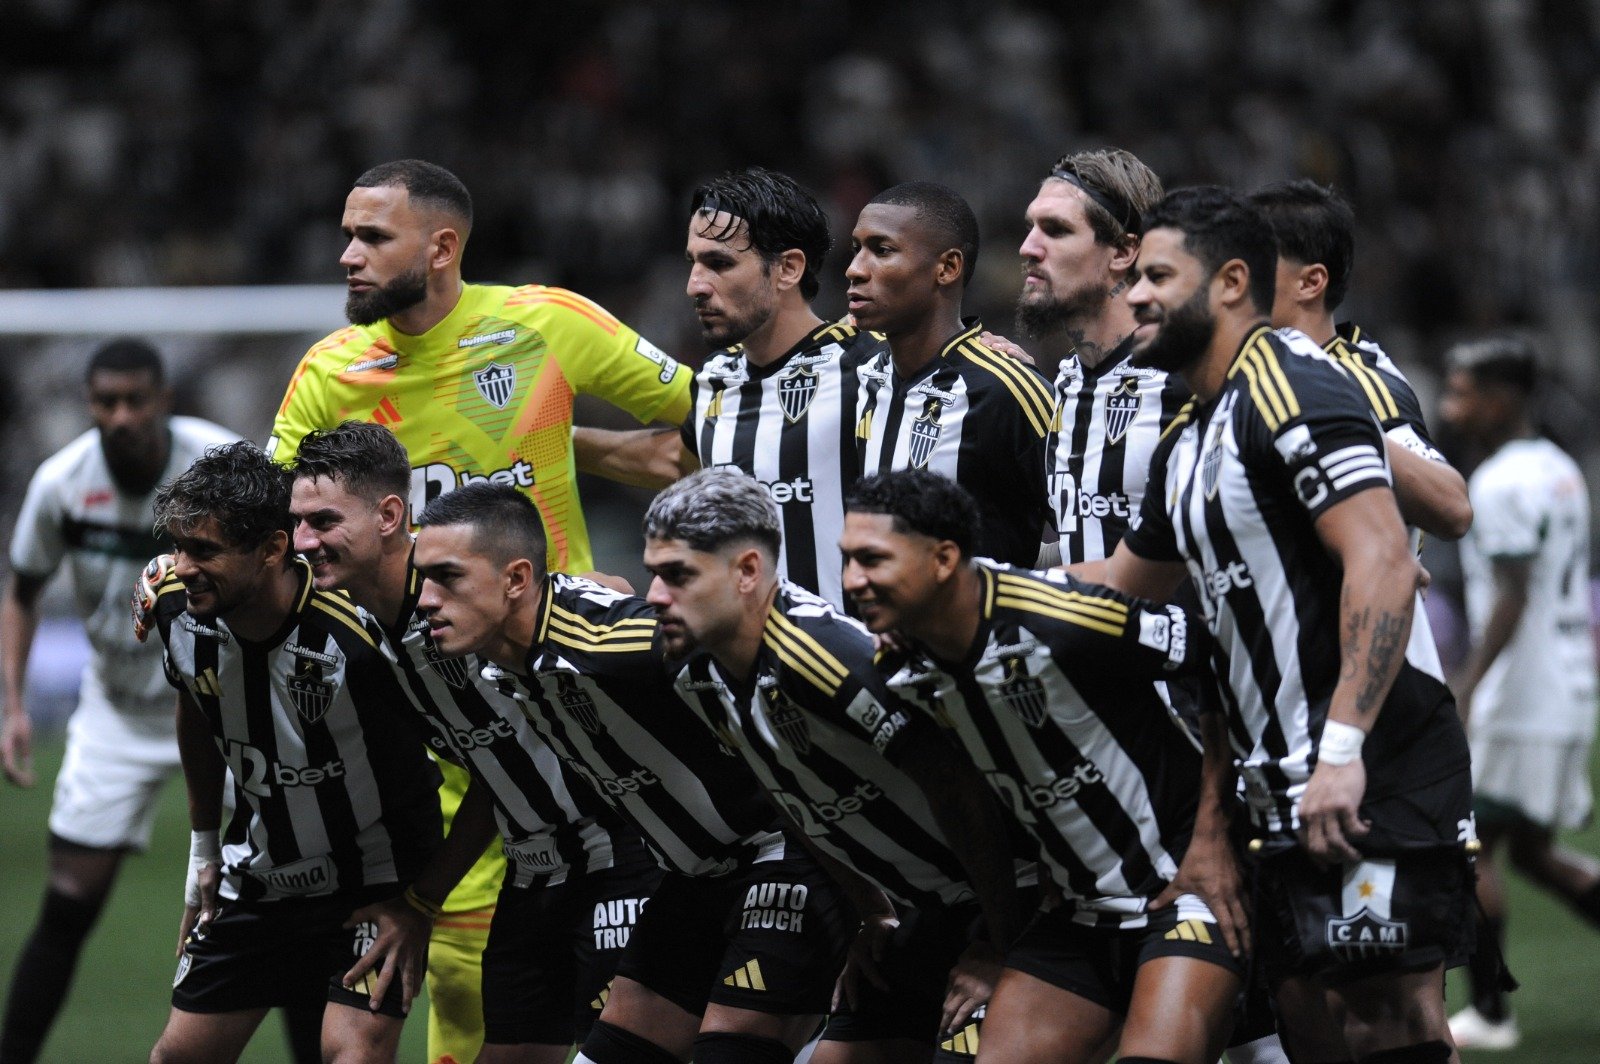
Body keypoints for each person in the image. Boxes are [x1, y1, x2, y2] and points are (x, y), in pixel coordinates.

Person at [267, 157, 694, 1064]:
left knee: (630, 1001)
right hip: (434, 720)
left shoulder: (544, 325)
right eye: (347, 234)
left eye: (371, 236)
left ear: (442, 247)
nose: (346, 255)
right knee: (469, 988)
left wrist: (579, 451)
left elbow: (711, 421)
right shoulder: (331, 372)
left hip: (573, 701)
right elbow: (278, 527)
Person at [1101, 186, 1473, 1064]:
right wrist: (971, 587)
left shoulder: (1306, 384)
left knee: (1386, 1018)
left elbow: (1393, 555)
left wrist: (1341, 752)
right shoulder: (1192, 432)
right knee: (1311, 1021)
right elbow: (1124, 586)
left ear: (1235, 282)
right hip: (1269, 778)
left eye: (1157, 276)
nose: (1135, 294)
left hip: (1366, 755)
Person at [413, 482, 852, 1064]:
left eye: (447, 577)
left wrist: (868, 895)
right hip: (694, 878)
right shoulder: (507, 662)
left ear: (516, 579)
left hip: (783, 854)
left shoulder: (615, 643)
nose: (426, 599)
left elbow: (765, 664)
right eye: (423, 578)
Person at [838, 468, 1245, 1064]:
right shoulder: (907, 665)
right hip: (1077, 912)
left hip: (1183, 885)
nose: (852, 581)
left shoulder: (1058, 619)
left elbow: (1221, 653)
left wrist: (1214, 838)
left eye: (873, 560)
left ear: (944, 559)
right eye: (847, 560)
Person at [288, 420, 661, 1063]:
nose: (303, 541)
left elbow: (602, 598)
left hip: (623, 858)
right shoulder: (366, 634)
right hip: (532, 874)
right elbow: (496, 770)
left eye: (322, 522)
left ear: (389, 516)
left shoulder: (460, 593)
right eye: (296, 523)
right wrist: (421, 901)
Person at [641, 467, 1034, 1062]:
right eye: (653, 573)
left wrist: (1000, 945)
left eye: (678, 575)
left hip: (1019, 897)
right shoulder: (695, 672)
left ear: (747, 572)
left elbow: (963, 789)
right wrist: (871, 913)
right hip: (928, 908)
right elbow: (788, 792)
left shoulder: (822, 657)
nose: (654, 595)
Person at [140, 441, 442, 1064]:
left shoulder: (363, 635)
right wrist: (203, 848)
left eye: (205, 551)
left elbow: (459, 768)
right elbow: (197, 706)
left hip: (371, 884)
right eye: (179, 547)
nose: (183, 567)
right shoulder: (174, 608)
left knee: (350, 1054)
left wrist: (418, 902)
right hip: (259, 876)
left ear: (273, 549)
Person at [0, 341, 238, 1064]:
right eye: (107, 402)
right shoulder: (62, 483)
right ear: (90, 406)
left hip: (226, 710)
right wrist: (12, 703)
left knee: (278, 906)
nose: (123, 416)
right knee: (69, 902)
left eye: (137, 400)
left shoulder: (220, 466)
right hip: (117, 709)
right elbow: (23, 589)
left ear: (165, 399)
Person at [577, 166, 885, 607]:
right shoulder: (716, 377)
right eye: (693, 263)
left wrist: (979, 351)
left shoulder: (872, 367)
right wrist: (554, 440)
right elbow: (681, 457)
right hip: (744, 647)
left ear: (788, 269)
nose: (694, 286)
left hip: (852, 644)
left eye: (719, 263)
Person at [1439, 337, 1598, 1051]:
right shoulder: (1561, 469)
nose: (1451, 408)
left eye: (1462, 393)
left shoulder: (1501, 481)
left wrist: (1468, 684)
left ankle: (1490, 1014)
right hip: (1568, 682)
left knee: (1466, 848)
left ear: (1500, 400)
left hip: (1522, 695)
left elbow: (1512, 592)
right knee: (1533, 853)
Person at [1248, 179, 1472, 543]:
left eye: (1254, 260)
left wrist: (1336, 427)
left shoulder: (1357, 381)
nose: (1236, 278)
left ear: (1310, 282)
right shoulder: (1247, 376)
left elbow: (1453, 507)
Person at [847, 181, 1055, 568]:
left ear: (947, 268)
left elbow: (1093, 535)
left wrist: (1014, 582)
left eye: (882, 250)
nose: (855, 269)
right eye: (856, 249)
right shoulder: (860, 375)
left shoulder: (1006, 389)